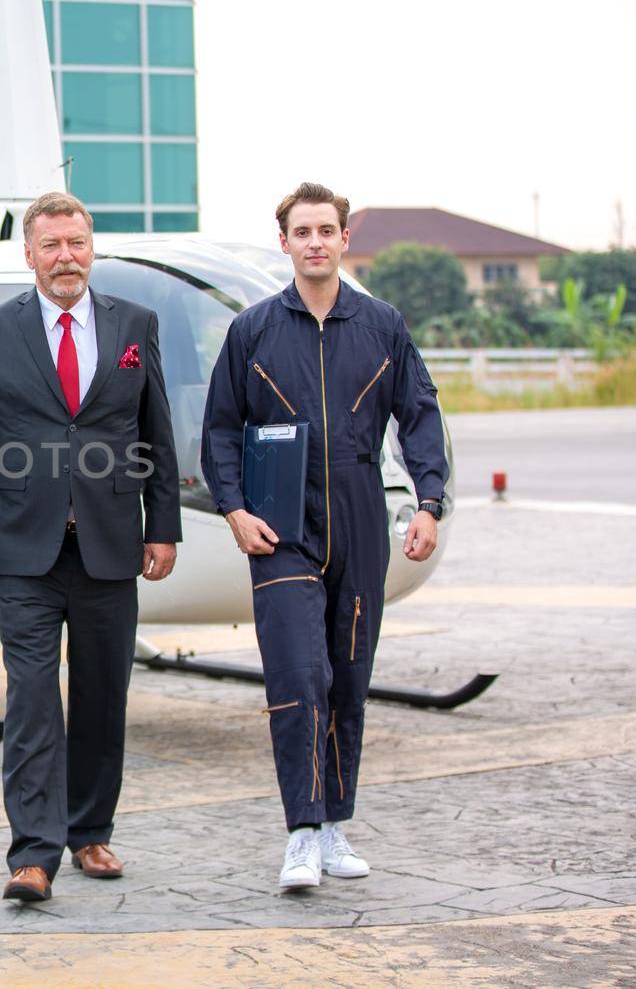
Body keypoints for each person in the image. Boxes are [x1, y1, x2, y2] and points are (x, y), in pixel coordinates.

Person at [200, 182, 448, 891]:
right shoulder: (251, 330)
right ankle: (301, 833)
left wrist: (428, 500)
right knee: (298, 674)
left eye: (325, 230)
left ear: (344, 240)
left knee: (348, 675)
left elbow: (420, 413)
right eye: (301, 231)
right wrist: (234, 508)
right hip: (280, 522)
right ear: (284, 242)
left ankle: (335, 824)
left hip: (360, 512)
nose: (314, 242)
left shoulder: (382, 325)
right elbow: (219, 427)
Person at [0, 191, 181, 903]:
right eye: (51, 245)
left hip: (111, 546)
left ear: (92, 246)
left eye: (76, 242)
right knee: (33, 700)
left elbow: (156, 434)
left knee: (104, 696)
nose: (66, 256)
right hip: (25, 552)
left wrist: (162, 524)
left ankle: (90, 831)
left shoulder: (135, 324)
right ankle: (33, 852)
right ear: (29, 254)